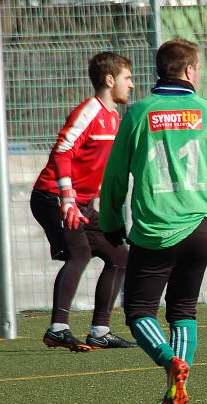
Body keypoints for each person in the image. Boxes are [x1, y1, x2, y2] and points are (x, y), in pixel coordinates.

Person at [100, 38, 207, 404]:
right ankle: (177, 386)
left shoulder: (137, 114)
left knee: (138, 312)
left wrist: (111, 222)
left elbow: (116, 175)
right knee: (183, 310)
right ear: (188, 71)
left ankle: (170, 362)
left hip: (154, 229)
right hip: (200, 228)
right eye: (198, 69)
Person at [31, 51, 136, 352]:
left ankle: (100, 331)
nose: (131, 85)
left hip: (81, 202)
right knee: (80, 253)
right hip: (53, 197)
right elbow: (62, 153)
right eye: (127, 78)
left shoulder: (114, 116)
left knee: (120, 257)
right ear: (110, 79)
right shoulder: (89, 111)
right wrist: (68, 198)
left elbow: (97, 166)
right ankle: (58, 329)